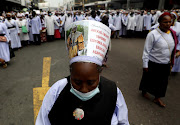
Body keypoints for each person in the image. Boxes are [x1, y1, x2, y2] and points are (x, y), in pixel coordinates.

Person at [36, 20, 129, 125]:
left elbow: (123, 122)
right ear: (71, 72)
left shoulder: (112, 92)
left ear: (99, 73)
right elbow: (42, 121)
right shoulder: (57, 91)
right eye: (77, 82)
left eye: (91, 83)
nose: (84, 90)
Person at [139, 12, 178, 107]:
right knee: (148, 79)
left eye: (170, 22)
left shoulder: (172, 33)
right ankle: (144, 91)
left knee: (162, 82)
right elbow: (146, 51)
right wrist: (145, 65)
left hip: (165, 63)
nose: (168, 24)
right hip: (153, 62)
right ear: (159, 22)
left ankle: (157, 98)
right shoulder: (153, 34)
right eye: (165, 22)